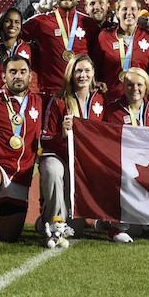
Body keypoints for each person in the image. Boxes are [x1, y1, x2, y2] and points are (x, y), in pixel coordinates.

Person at [0, 54, 44, 248]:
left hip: (21, 175)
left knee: (9, 235)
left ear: (30, 76)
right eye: (13, 72)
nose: (18, 76)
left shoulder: (40, 101)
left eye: (23, 72)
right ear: (4, 76)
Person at [39, 54, 105, 243]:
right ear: (70, 74)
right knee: (52, 169)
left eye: (87, 70)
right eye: (78, 71)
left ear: (93, 73)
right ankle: (54, 221)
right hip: (60, 156)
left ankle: (101, 218)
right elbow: (45, 137)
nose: (83, 75)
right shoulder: (59, 100)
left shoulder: (101, 99)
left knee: (77, 229)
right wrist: (61, 133)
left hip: (85, 161)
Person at [100, 66, 149, 244]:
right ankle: (117, 228)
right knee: (126, 175)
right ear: (123, 87)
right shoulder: (112, 110)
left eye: (139, 85)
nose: (135, 89)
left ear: (146, 86)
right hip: (123, 164)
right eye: (130, 85)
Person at [22, 0, 94, 96]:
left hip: (81, 92)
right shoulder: (40, 21)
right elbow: (13, 34)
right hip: (50, 92)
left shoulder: (89, 24)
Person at [93, 0, 149, 101]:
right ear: (117, 13)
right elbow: (95, 66)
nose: (129, 13)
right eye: (124, 9)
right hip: (111, 98)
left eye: (133, 9)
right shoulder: (105, 36)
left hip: (139, 99)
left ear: (139, 12)